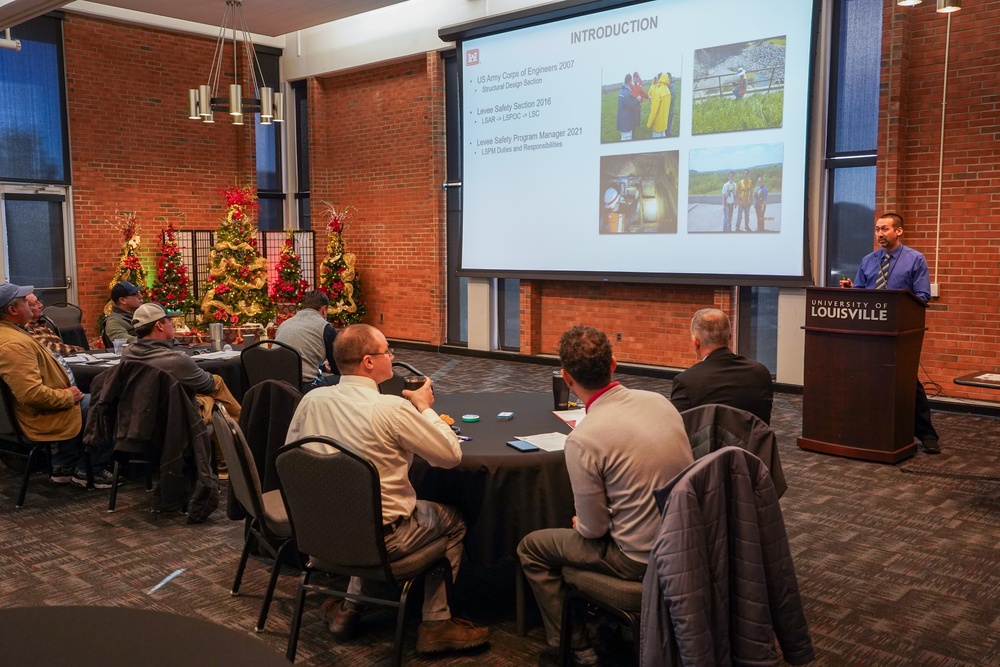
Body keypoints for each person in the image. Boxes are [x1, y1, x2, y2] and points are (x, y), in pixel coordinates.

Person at [284, 324, 489, 654]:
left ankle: (349, 608)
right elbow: (450, 456)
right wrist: (423, 406)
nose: (392, 356)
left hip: (317, 535)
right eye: (387, 351)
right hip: (383, 541)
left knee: (356, 506)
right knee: (452, 521)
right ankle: (436, 623)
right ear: (368, 362)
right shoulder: (391, 408)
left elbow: (293, 461)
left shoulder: (311, 400)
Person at [517, 325, 694, 667]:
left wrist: (579, 523)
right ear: (614, 364)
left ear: (566, 378)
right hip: (686, 542)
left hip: (640, 561)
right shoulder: (659, 402)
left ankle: (574, 647)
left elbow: (594, 530)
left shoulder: (585, 438)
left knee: (532, 548)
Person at [839, 212, 940, 453]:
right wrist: (853, 290)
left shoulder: (915, 259)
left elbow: (923, 296)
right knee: (869, 381)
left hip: (900, 334)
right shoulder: (868, 260)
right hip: (870, 334)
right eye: (877, 229)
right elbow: (863, 294)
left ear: (898, 231)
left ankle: (927, 435)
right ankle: (869, 429)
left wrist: (897, 302)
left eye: (884, 229)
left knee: (907, 383)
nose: (879, 234)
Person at [0, 282, 116, 488]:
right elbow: (31, 395)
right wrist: (67, 396)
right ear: (12, 310)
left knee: (88, 399)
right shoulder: (13, 344)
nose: (32, 305)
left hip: (35, 412)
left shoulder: (13, 334)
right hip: (36, 418)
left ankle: (64, 464)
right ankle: (91, 470)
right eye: (26, 302)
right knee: (107, 402)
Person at [121, 303, 241, 423]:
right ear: (159, 326)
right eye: (169, 320)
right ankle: (243, 427)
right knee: (216, 384)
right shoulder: (175, 360)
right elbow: (208, 385)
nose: (172, 324)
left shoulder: (127, 354)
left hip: (139, 418)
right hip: (177, 419)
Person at [670, 308, 774, 424]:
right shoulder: (761, 372)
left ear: (696, 343)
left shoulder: (686, 382)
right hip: (756, 442)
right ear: (729, 337)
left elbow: (678, 431)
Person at [274, 290, 339, 392]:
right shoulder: (325, 327)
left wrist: (321, 367)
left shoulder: (284, 324)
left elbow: (296, 358)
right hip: (304, 387)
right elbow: (337, 367)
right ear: (324, 309)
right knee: (344, 380)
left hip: (276, 385)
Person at [103, 280, 142, 345]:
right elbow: (122, 341)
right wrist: (152, 340)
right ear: (123, 300)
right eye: (135, 294)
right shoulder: (114, 321)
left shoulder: (138, 316)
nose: (140, 297)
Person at [645, 72, 671, 138]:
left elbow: (654, 110)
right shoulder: (668, 91)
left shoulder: (658, 91)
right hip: (664, 122)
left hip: (657, 123)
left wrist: (649, 123)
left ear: (660, 79)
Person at [616, 74, 641, 141]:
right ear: (629, 81)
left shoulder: (622, 92)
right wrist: (638, 100)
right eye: (631, 81)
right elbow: (631, 105)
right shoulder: (627, 93)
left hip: (622, 120)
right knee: (627, 139)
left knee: (623, 138)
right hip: (626, 122)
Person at [665, 71, 678, 136]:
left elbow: (672, 98)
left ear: (669, 77)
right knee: (668, 121)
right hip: (668, 107)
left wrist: (667, 103)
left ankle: (669, 135)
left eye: (667, 77)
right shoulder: (670, 84)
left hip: (670, 108)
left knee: (669, 122)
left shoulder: (673, 86)